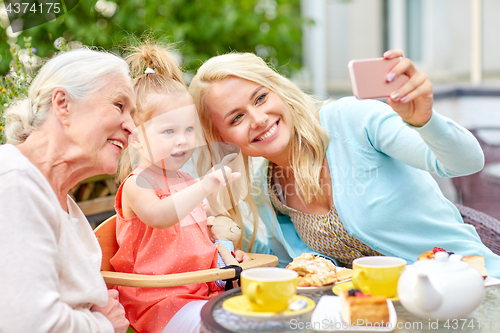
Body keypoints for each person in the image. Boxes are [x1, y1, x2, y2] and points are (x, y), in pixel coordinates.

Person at [189, 49, 500, 278]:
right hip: (381, 314)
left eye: (260, 98)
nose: (258, 119)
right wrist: (239, 257)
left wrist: (425, 121)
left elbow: (465, 162)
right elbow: (285, 267)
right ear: (223, 137)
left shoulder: (352, 120)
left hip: (470, 286)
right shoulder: (265, 188)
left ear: (279, 92)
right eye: (237, 117)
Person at [111, 42, 248, 333]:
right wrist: (205, 185)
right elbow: (161, 216)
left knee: (267, 311)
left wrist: (224, 253)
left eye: (188, 129)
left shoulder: (184, 182)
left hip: (199, 293)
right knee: (236, 323)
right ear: (135, 138)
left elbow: (199, 238)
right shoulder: (137, 183)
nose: (183, 141)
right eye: (169, 131)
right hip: (159, 301)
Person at [0, 48, 134, 332]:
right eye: (119, 105)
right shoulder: (14, 182)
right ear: (63, 104)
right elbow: (30, 324)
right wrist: (102, 324)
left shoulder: (62, 202)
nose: (131, 126)